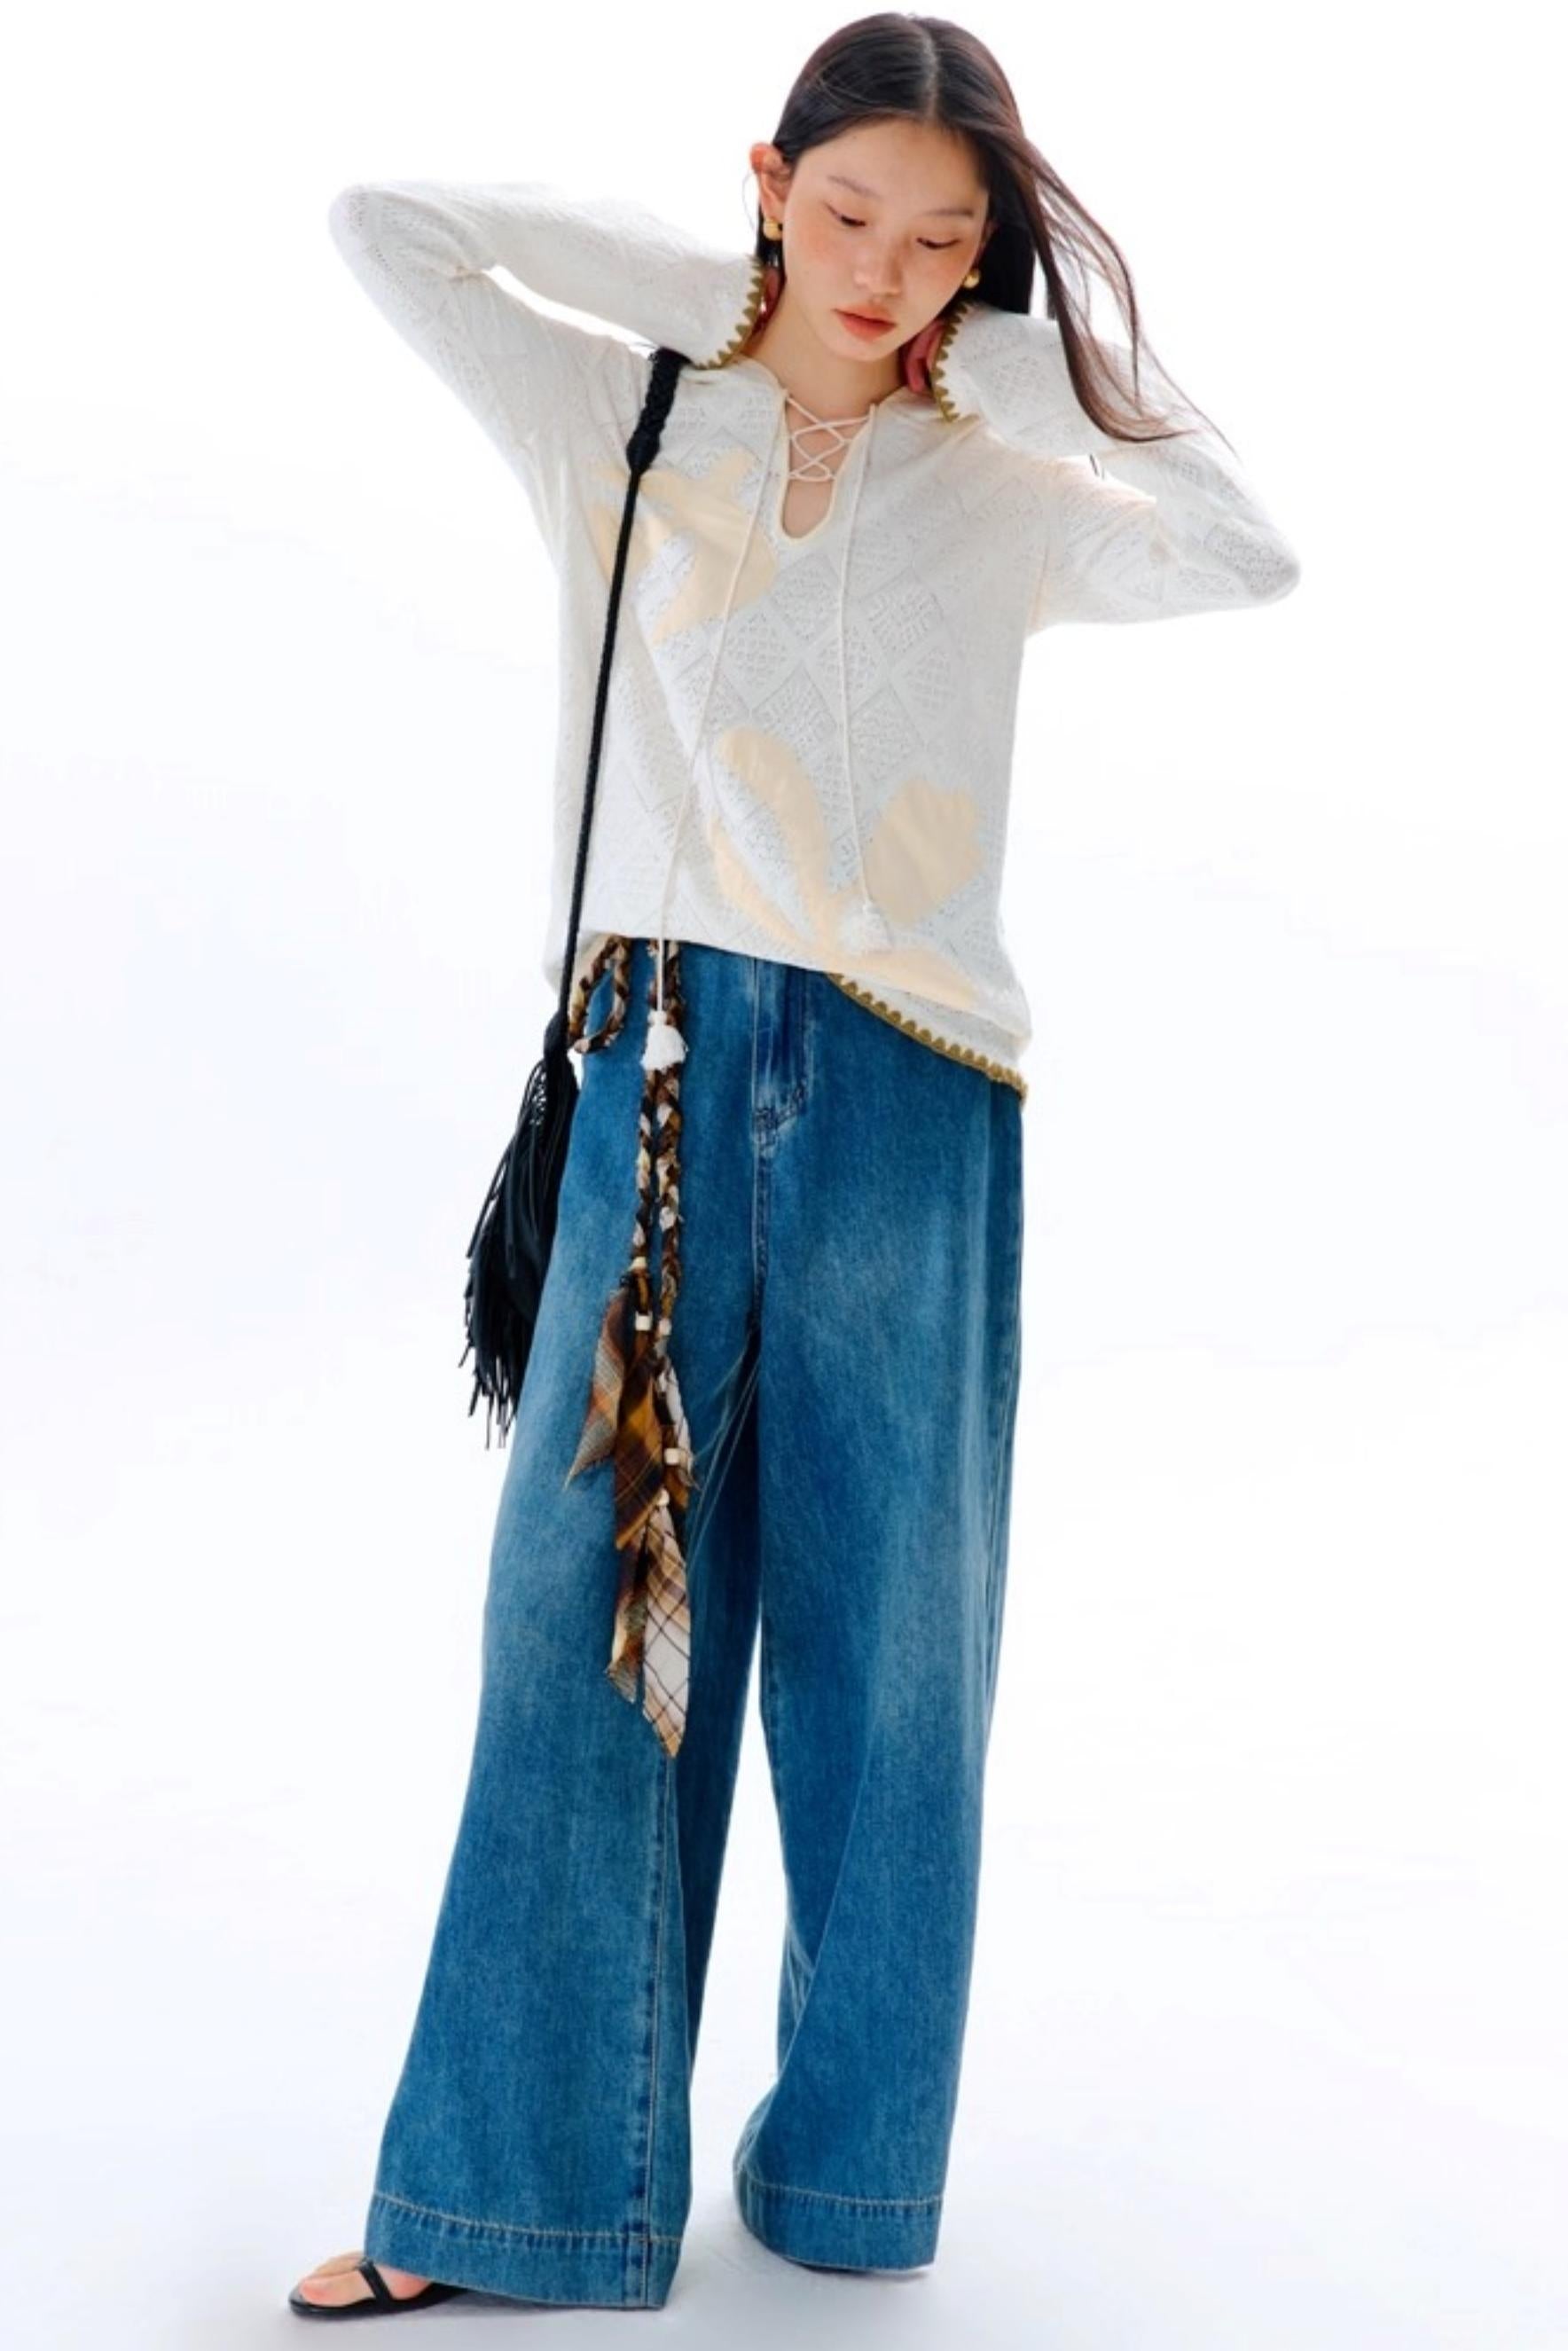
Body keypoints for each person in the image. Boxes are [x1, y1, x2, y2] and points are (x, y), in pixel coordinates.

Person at [294, 10, 1299, 2319]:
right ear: (768, 181)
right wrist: (728, 292)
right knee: (583, 1630)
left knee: (891, 1669)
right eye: (846, 213)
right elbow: (386, 227)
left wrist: (1015, 358)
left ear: (990, 258)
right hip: (657, 1071)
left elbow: (1243, 549)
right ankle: (519, 2200)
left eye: (941, 240)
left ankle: (850, 2190)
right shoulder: (626, 415)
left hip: (914, 1093)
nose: (883, 271)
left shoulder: (1001, 473)